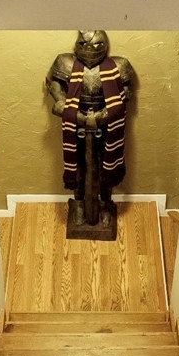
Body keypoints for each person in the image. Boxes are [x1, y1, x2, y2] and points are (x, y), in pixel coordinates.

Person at [46, 30, 136, 229]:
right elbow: (54, 84)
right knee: (77, 165)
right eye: (85, 45)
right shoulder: (65, 62)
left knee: (108, 164)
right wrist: (63, 104)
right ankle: (78, 203)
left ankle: (105, 203)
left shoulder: (119, 65)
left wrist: (103, 115)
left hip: (107, 122)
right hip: (75, 120)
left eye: (96, 45)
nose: (91, 50)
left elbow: (126, 92)